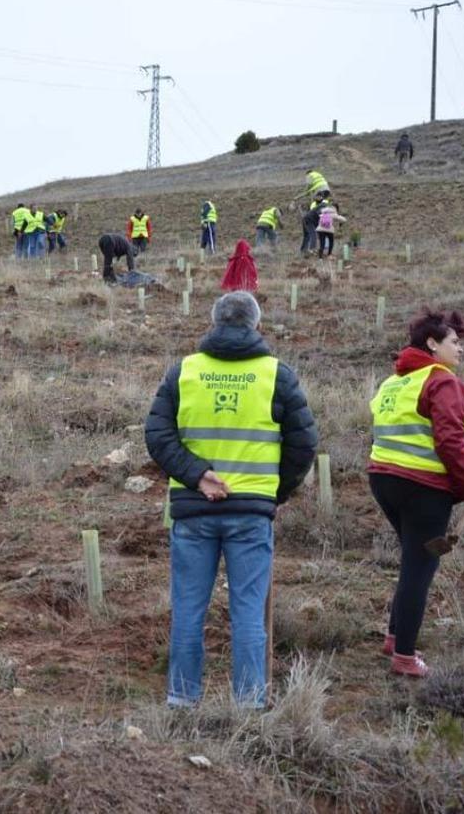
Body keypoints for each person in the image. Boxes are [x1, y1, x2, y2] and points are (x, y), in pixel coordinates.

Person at [145, 291, 316, 708]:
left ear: (214, 321)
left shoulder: (183, 372)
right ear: (256, 325)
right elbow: (304, 444)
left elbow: (157, 436)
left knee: (188, 611)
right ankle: (250, 705)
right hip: (251, 516)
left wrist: (195, 475)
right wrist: (273, 493)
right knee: (248, 614)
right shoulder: (277, 375)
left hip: (192, 513)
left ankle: (182, 701)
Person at [369, 309, 464, 678]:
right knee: (421, 568)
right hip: (423, 489)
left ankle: (393, 635)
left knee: (412, 560)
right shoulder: (442, 382)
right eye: (454, 342)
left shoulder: (394, 383)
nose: (460, 350)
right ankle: (404, 656)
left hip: (384, 480)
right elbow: (451, 442)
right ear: (431, 345)